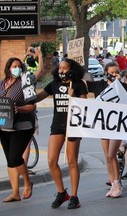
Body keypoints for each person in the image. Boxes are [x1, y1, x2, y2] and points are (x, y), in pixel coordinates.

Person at [36, 58, 88, 209]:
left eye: (65, 68)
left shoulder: (79, 85)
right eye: (60, 68)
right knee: (52, 161)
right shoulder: (54, 84)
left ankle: (74, 196)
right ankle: (61, 193)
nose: (62, 71)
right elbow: (39, 97)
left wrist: (74, 97)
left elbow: (85, 107)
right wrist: (27, 95)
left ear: (72, 69)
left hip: (73, 126)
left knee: (72, 162)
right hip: (57, 127)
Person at [85, 62, 127, 198]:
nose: (115, 74)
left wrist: (119, 85)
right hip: (103, 126)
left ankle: (117, 183)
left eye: (117, 72)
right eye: (112, 72)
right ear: (106, 73)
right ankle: (113, 182)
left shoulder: (122, 86)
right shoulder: (100, 85)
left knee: (111, 155)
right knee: (108, 157)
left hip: (117, 126)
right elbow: (84, 83)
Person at [0, 57, 35, 202]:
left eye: (19, 66)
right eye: (14, 66)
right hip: (5, 126)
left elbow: (32, 106)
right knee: (10, 161)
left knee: (15, 157)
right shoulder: (2, 84)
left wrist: (18, 108)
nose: (17, 69)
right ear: (8, 68)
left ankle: (27, 182)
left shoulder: (25, 83)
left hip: (22, 126)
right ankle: (15, 193)